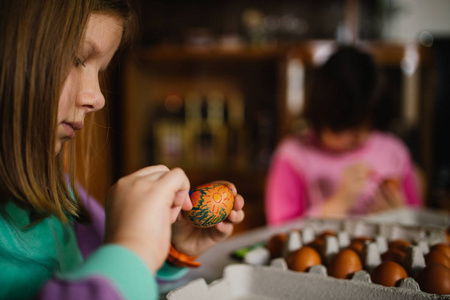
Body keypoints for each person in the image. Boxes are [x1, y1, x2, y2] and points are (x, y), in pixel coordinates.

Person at [0, 1, 245, 300]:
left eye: (100, 71)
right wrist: (134, 244)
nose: (98, 98)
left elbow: (108, 278)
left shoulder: (57, 190)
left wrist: (167, 250)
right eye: (75, 59)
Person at [265, 46, 422, 226]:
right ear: (323, 115)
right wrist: (339, 203)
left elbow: (418, 219)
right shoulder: (293, 155)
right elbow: (280, 229)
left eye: (366, 125)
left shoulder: (394, 151)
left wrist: (401, 215)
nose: (359, 136)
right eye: (348, 126)